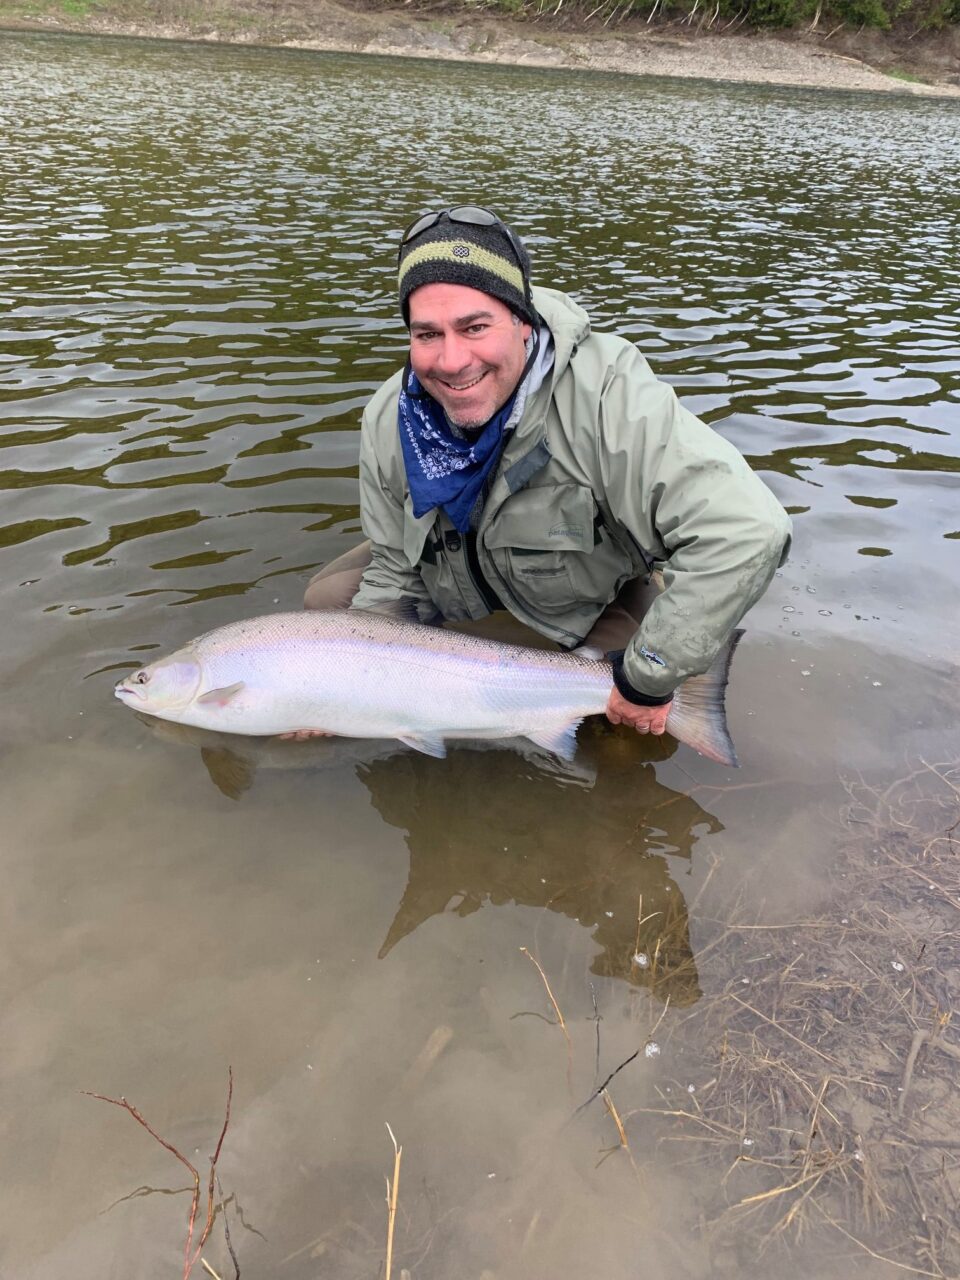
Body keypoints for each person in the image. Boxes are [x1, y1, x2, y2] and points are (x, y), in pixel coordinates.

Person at [305, 205, 791, 737]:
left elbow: (749, 532)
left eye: (474, 327)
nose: (450, 360)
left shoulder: (607, 395)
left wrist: (645, 679)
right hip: (458, 589)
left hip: (585, 605)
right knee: (327, 605)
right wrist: (349, 687)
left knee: (622, 736)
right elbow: (394, 565)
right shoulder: (389, 415)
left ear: (522, 321)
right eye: (427, 334)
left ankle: (627, 684)